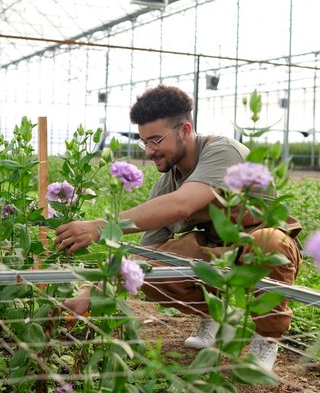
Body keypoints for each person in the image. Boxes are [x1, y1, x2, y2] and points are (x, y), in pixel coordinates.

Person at [54, 84, 302, 370]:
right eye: (144, 142)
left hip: (267, 248)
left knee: (267, 241)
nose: (149, 151)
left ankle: (265, 340)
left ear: (185, 129)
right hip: (218, 251)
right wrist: (90, 294)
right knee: (149, 270)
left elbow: (183, 204)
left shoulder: (222, 152)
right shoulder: (167, 182)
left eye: (156, 140)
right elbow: (143, 254)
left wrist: (102, 227)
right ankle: (214, 313)